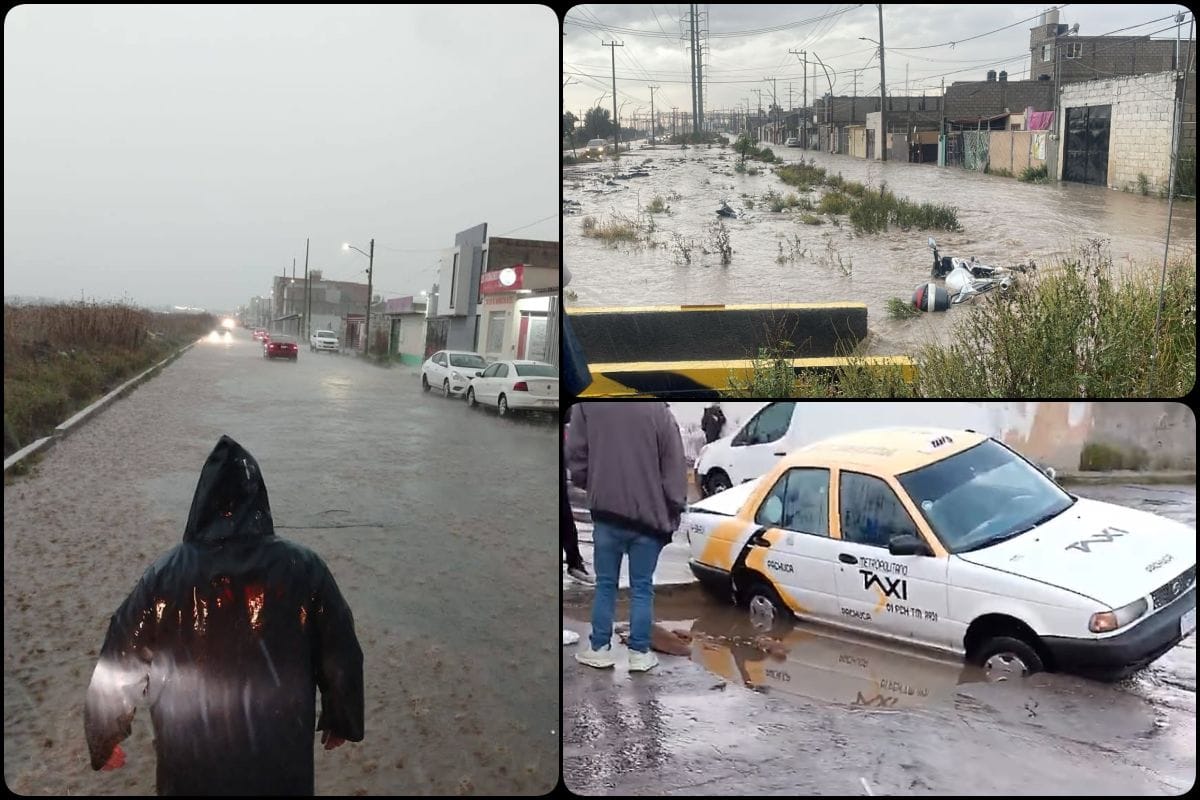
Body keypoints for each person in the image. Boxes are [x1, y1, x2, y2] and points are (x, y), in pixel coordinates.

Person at [84, 435, 364, 796]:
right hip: (279, 763)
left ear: (201, 502)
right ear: (259, 499)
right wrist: (342, 718)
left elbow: (120, 655)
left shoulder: (164, 576)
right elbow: (341, 649)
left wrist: (104, 737)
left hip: (190, 766)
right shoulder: (305, 569)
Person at [566, 402, 687, 673]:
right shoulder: (659, 411)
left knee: (605, 585)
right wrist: (674, 507)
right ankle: (639, 654)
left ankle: (599, 649)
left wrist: (594, 482)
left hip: (606, 513)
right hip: (649, 519)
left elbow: (576, 456)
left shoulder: (587, 405)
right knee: (642, 588)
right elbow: (674, 465)